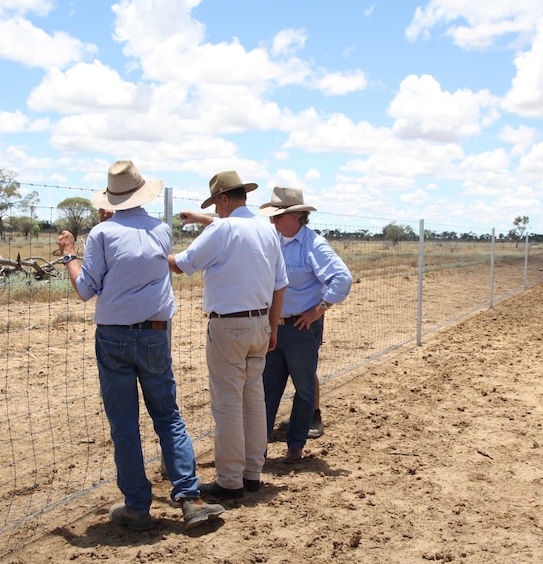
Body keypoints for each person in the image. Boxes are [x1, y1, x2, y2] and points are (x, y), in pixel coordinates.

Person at [56, 160, 224, 531]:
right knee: (167, 415)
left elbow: (85, 289)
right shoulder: (161, 230)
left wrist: (69, 254)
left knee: (124, 424)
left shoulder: (102, 233)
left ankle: (136, 506)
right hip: (154, 333)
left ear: (111, 199)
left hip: (114, 334)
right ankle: (190, 497)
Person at [168, 171, 287, 499]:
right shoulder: (267, 230)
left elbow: (184, 263)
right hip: (261, 324)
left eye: (216, 206)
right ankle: (252, 472)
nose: (217, 212)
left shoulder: (222, 228)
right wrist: (273, 326)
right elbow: (280, 284)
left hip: (228, 326)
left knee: (228, 403)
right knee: (253, 397)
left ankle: (230, 480)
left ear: (222, 199)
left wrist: (151, 254)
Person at [258, 186, 352, 463]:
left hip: (301, 328)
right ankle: (258, 450)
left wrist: (318, 310)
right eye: (272, 216)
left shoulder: (314, 244)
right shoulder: (272, 240)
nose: (272, 221)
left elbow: (342, 279)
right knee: (266, 388)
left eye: (278, 216)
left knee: (304, 387)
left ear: (298, 216)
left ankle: (295, 445)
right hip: (273, 326)